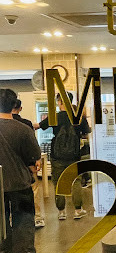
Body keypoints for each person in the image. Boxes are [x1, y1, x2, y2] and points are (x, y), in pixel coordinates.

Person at [0, 89, 41, 253]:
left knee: (2, 222)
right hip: (20, 182)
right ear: (14, 105)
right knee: (23, 217)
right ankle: (24, 252)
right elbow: (34, 159)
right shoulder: (23, 129)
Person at [37, 92, 90, 220]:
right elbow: (86, 132)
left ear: (59, 102)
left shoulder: (55, 117)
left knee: (58, 182)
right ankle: (78, 210)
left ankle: (61, 212)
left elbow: (38, 126)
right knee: (76, 181)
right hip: (74, 155)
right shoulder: (79, 117)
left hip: (57, 156)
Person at [12, 99, 45, 228]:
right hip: (27, 164)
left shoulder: (3, 125)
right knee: (34, 189)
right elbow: (32, 145)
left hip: (8, 166)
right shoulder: (26, 124)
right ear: (20, 108)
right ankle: (37, 217)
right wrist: (35, 160)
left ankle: (12, 219)